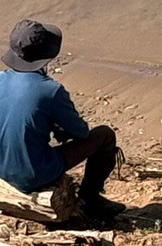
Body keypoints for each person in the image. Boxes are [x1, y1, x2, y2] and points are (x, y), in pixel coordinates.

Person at [0, 19, 125, 221]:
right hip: (33, 174)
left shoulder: (1, 79)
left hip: (2, 167)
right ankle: (91, 197)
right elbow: (82, 133)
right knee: (104, 135)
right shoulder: (51, 90)